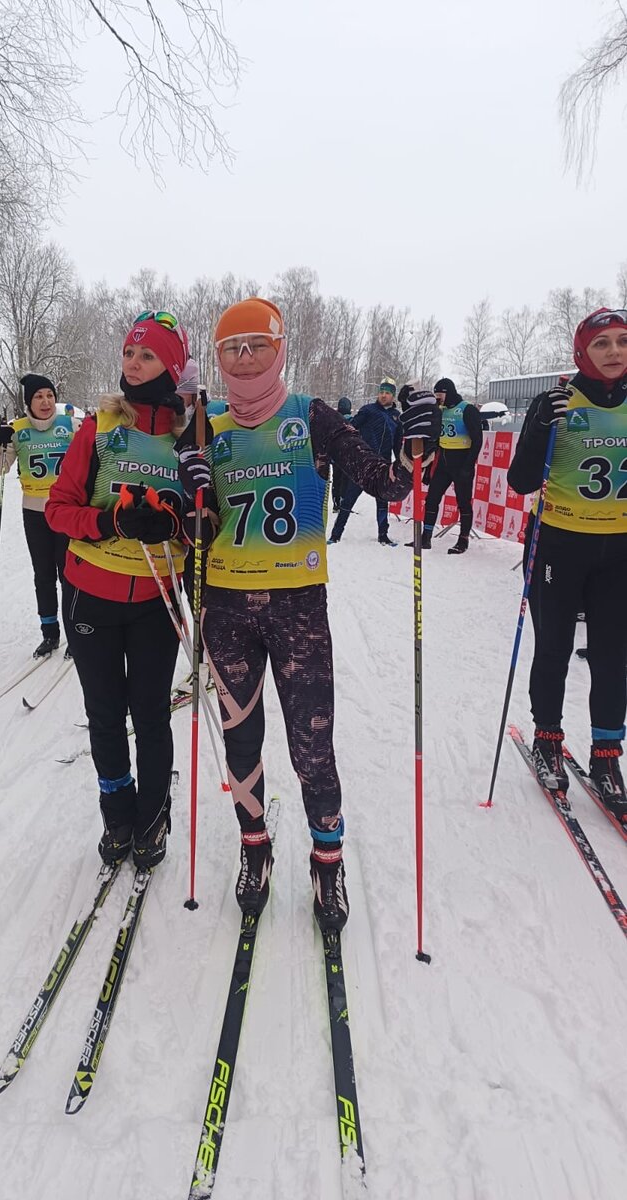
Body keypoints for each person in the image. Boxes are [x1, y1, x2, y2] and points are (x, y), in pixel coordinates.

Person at [176, 299, 439, 931]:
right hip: (228, 610)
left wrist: (412, 453)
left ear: (279, 348)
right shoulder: (205, 424)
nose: (245, 358)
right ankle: (255, 846)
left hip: (298, 606)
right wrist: (186, 499)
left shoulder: (310, 415)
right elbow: (187, 527)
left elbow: (387, 484)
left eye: (256, 345)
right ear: (218, 358)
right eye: (231, 348)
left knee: (312, 744)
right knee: (241, 739)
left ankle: (327, 857)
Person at [45, 311, 192, 869]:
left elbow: (209, 516)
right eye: (129, 354)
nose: (133, 364)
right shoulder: (101, 425)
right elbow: (59, 510)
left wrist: (174, 522)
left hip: (156, 600)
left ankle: (153, 817)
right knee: (105, 716)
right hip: (91, 596)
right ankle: (117, 814)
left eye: (147, 355)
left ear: (171, 366)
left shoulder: (190, 434)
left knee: (150, 714)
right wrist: (110, 523)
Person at [508, 308, 627, 827]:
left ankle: (607, 755)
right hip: (560, 542)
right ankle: (548, 738)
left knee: (611, 655)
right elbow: (520, 480)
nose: (615, 352)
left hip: (618, 548)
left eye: (622, 342)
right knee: (554, 647)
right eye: (602, 343)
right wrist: (537, 427)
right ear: (582, 351)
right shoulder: (557, 398)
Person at [0, 374, 74, 657]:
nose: (46, 402)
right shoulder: (17, 430)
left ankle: (75, 633)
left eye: (49, 395)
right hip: (35, 512)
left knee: (70, 575)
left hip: (68, 512)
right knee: (43, 575)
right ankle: (50, 633)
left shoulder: (71, 425)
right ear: (28, 402)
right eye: (38, 396)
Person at [328, 378, 401, 545]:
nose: (383, 395)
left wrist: (398, 466)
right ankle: (335, 535)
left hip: (383, 466)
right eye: (381, 392)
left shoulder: (397, 417)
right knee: (348, 499)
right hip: (363, 464)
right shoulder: (368, 410)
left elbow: (397, 445)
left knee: (382, 501)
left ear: (393, 396)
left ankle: (383, 535)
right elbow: (350, 427)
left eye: (387, 393)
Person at [420, 377, 483, 554]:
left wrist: (469, 465)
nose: (437, 398)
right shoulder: (440, 410)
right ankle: (426, 537)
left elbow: (478, 440)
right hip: (444, 461)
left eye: (439, 394)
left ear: (448, 393)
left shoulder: (466, 409)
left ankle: (462, 540)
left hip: (462, 461)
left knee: (463, 502)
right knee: (431, 498)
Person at [331, 396, 353, 511]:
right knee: (346, 480)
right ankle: (344, 503)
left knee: (336, 479)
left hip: (336, 456)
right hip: (348, 456)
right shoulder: (353, 421)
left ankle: (336, 503)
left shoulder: (333, 420)